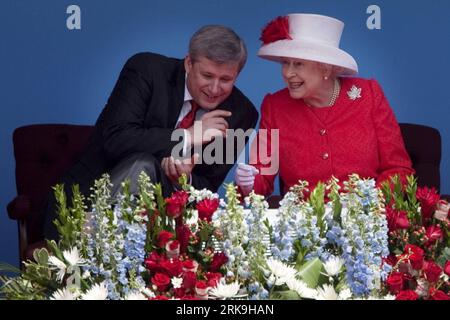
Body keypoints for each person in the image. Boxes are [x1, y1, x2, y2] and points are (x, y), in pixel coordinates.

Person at [43, 25, 258, 240]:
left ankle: (110, 250)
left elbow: (208, 187)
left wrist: (185, 179)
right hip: (87, 204)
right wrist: (188, 136)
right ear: (188, 63)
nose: (214, 88)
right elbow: (115, 138)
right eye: (207, 75)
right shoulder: (147, 70)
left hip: (167, 225)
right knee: (143, 165)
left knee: (146, 168)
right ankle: (95, 244)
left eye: (226, 80)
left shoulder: (240, 113)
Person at [235, 14, 414, 197]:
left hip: (365, 218)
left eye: (298, 64)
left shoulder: (368, 95)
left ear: (326, 68)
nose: (288, 73)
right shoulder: (275, 107)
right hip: (303, 222)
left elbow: (399, 169)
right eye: (285, 63)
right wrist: (249, 183)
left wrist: (369, 205)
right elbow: (261, 177)